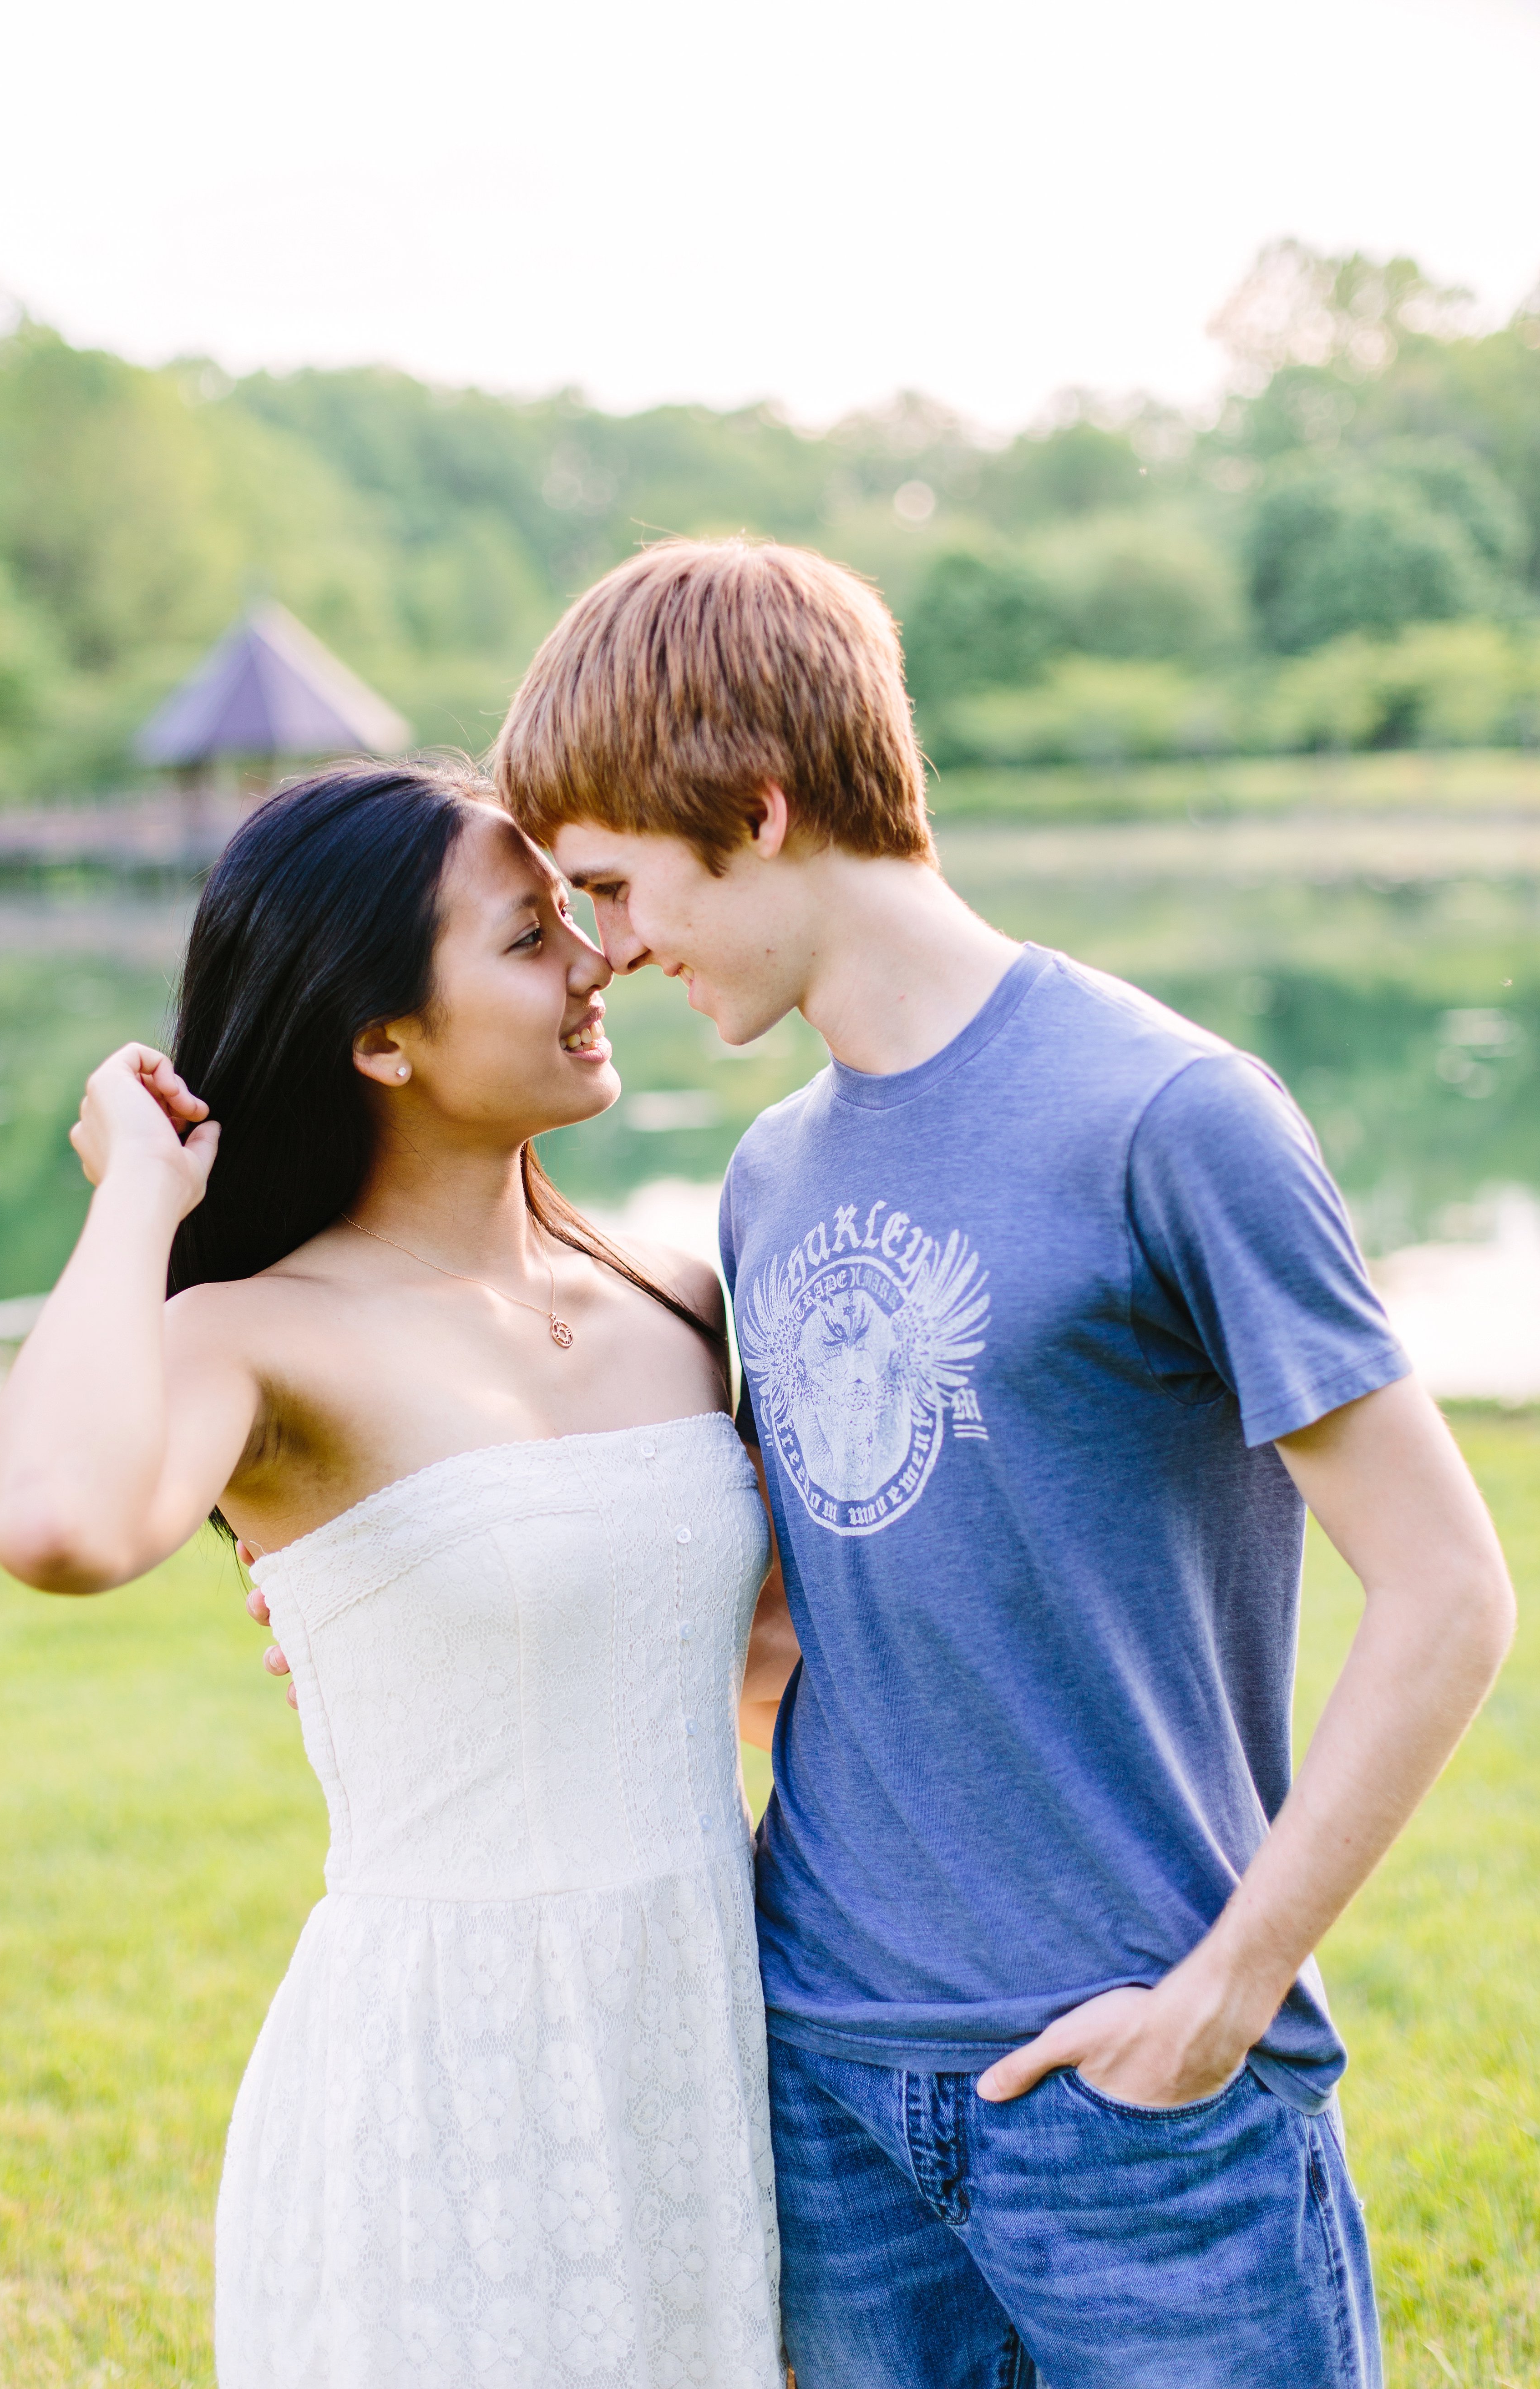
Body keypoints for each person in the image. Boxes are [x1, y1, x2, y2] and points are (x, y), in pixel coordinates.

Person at [493, 537, 1517, 2389]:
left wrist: (1219, 1991)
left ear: (757, 801)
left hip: (1133, 2101)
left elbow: (1449, 1592)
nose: (608, 951)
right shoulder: (768, 1175)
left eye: (614, 886)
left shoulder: (1167, 1116)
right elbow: (813, 1627)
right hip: (826, 2082)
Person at [0, 762, 787, 2389]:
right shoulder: (256, 1335)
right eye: (527, 938)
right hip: (439, 2069)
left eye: (580, 918)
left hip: (707, 2034)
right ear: (380, 1039)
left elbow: (767, 1659)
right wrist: (141, 1195)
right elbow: (60, 1522)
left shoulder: (683, 1295)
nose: (596, 961)